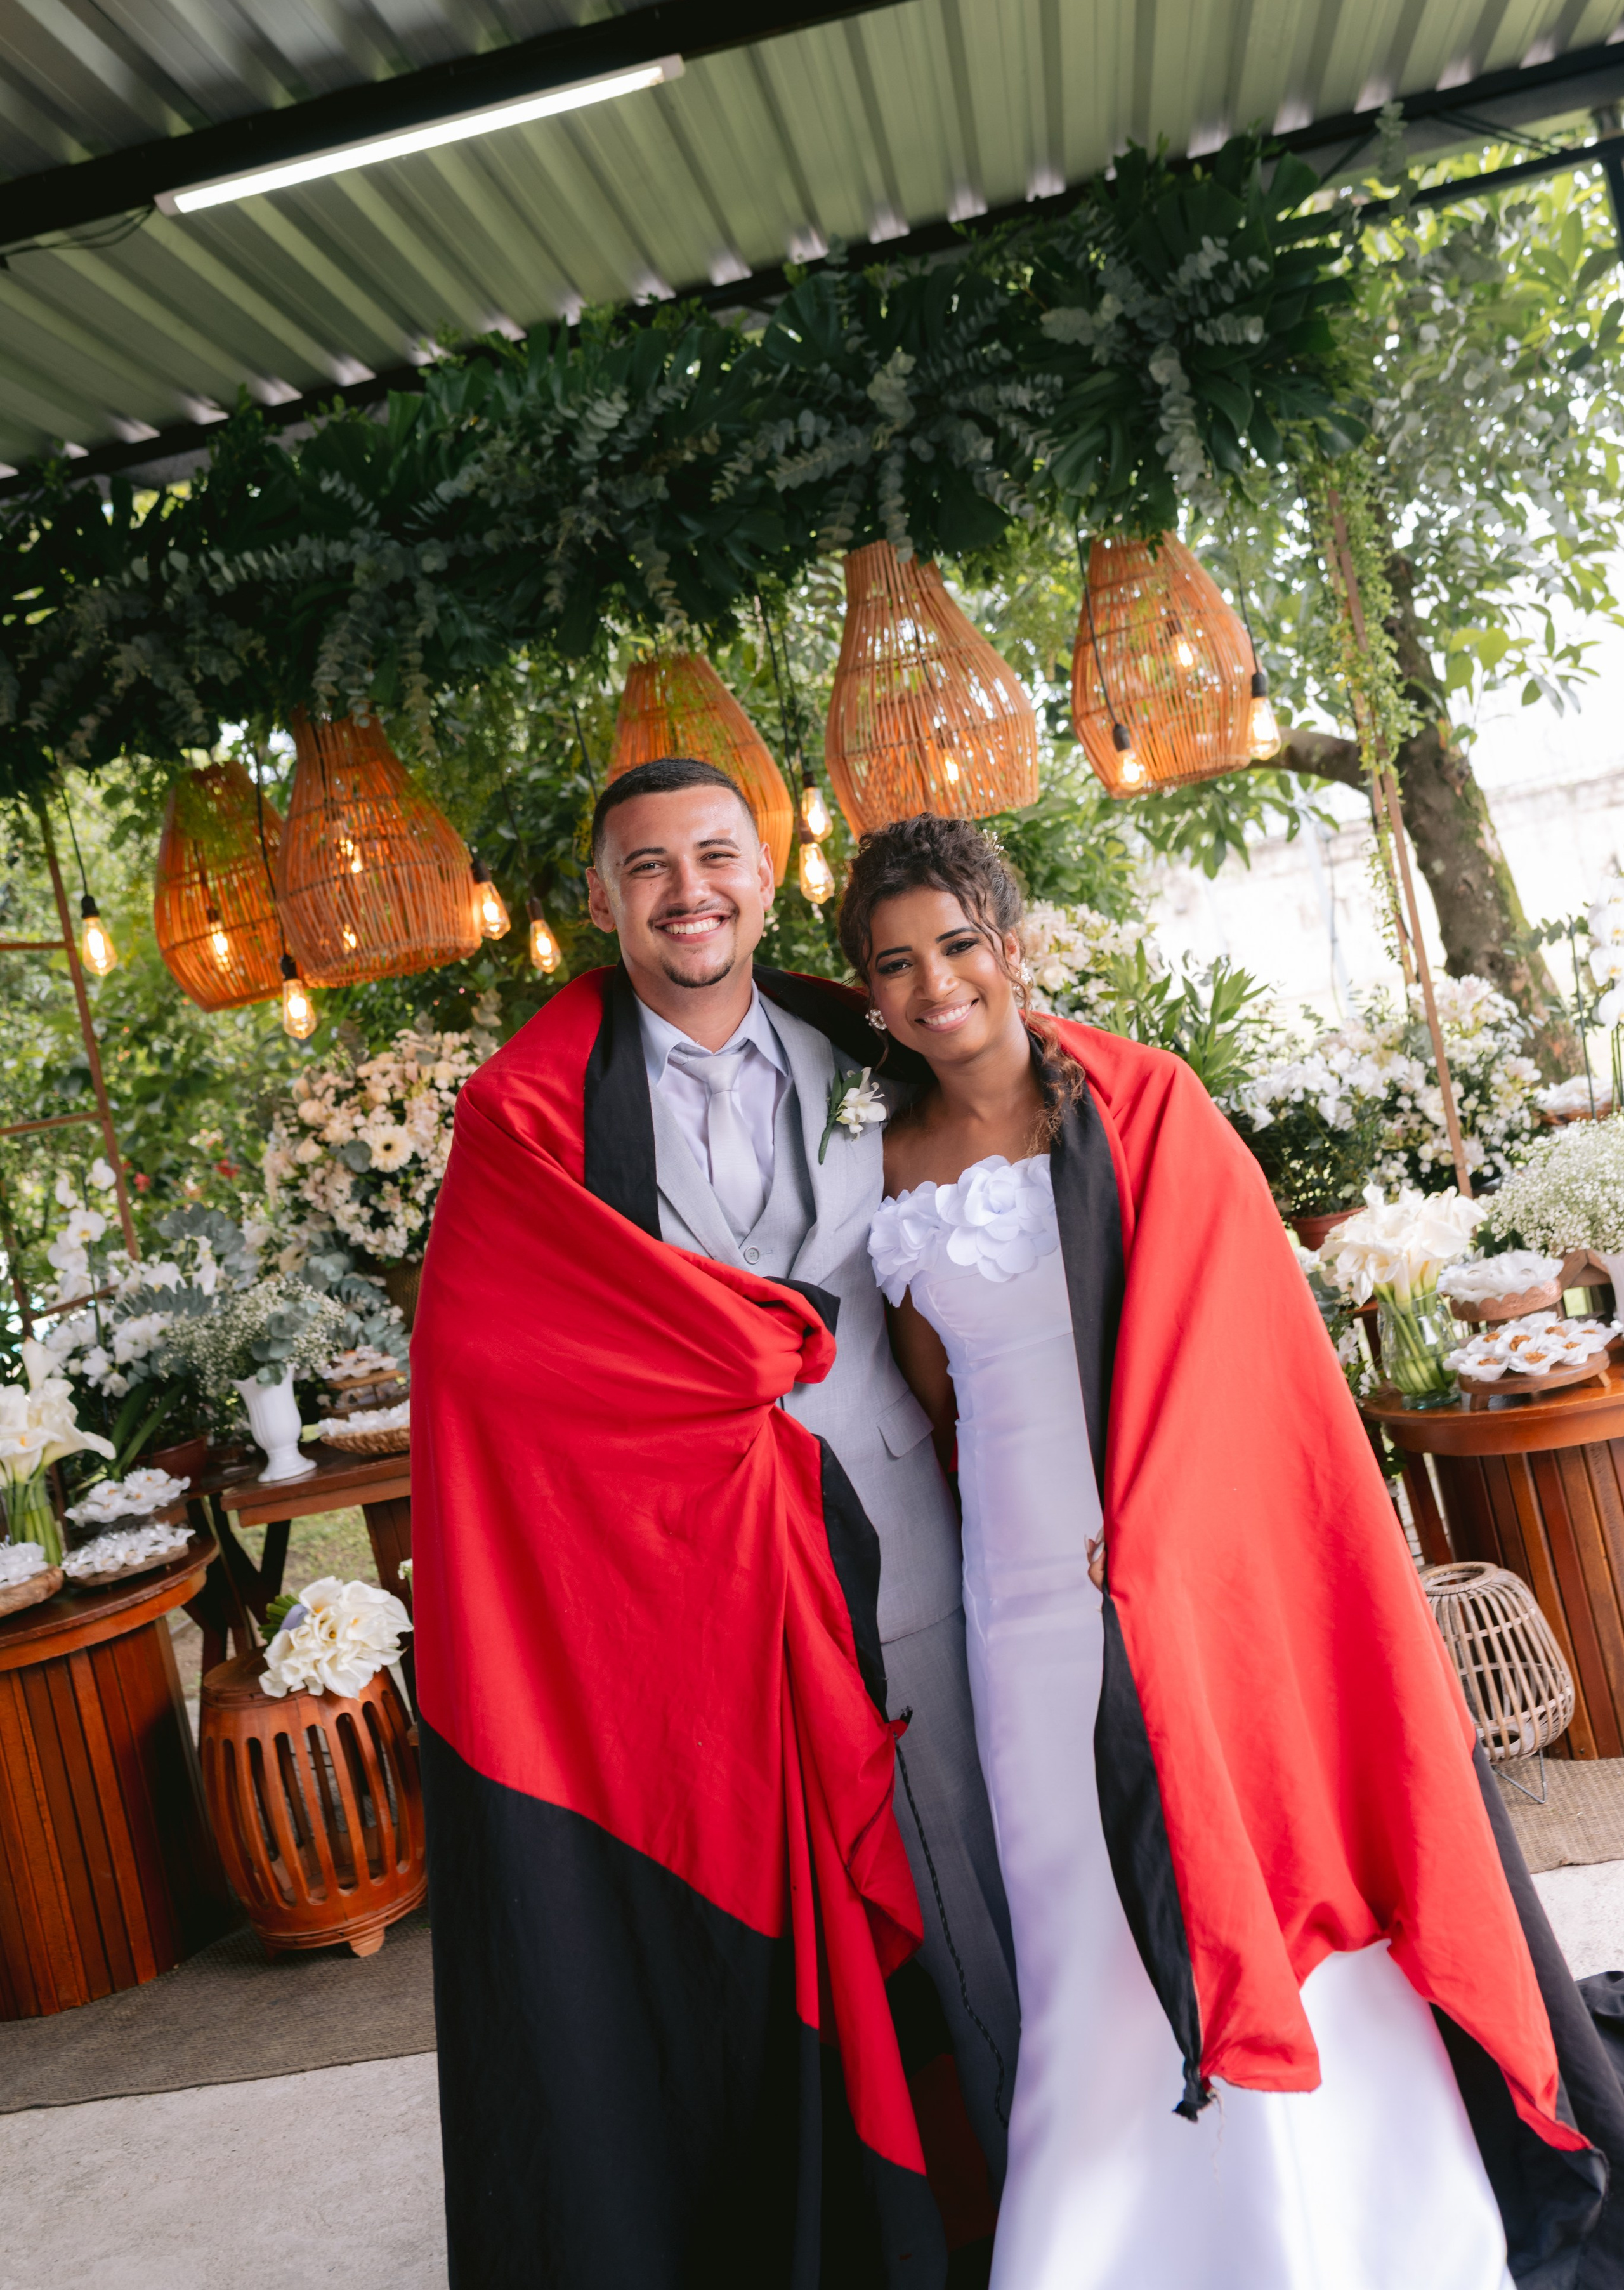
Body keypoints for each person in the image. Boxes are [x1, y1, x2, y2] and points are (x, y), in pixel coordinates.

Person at [842, 812, 1624, 2290]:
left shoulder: (1140, 1111)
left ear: (1009, 942)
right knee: (1073, 1905)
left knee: (1241, 1855)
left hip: (1176, 1578)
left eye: (954, 943)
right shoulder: (888, 1165)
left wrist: (1158, 1534)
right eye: (894, 964)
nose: (933, 982)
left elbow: (1248, 1359)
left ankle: (1338, 2218)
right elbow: (939, 1395)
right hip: (1016, 1607)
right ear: (870, 996)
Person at [410, 761, 1017, 2287]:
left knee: (977, 1879)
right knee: (788, 1920)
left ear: (766, 871)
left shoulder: (861, 1033)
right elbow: (489, 1360)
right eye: (648, 866)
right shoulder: (534, 1116)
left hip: (903, 1536)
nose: (688, 889)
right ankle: (862, 2227)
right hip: (702, 1598)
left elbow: (1011, 1179)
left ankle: (1037, 2203)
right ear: (601, 903)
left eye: (715, 855)